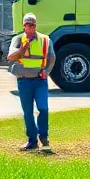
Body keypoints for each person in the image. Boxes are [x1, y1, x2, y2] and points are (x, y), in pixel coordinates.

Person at [7, 12, 55, 151]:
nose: (30, 28)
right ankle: (32, 141)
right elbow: (10, 57)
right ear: (23, 26)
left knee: (43, 109)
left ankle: (44, 137)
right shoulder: (18, 39)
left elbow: (52, 58)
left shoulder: (45, 40)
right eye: (27, 25)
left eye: (32, 25)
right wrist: (22, 49)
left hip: (40, 81)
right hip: (24, 81)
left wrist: (47, 71)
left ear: (35, 25)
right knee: (28, 112)